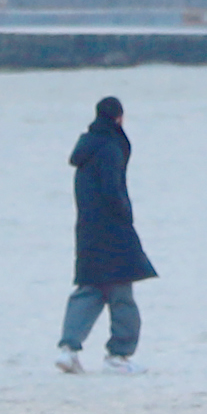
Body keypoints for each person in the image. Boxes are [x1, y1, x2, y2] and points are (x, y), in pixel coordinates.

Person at [56, 95, 157, 374]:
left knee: (89, 289)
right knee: (121, 292)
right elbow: (113, 191)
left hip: (87, 230)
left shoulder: (86, 149)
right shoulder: (111, 147)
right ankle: (118, 356)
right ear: (119, 118)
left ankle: (68, 350)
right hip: (113, 230)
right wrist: (126, 216)